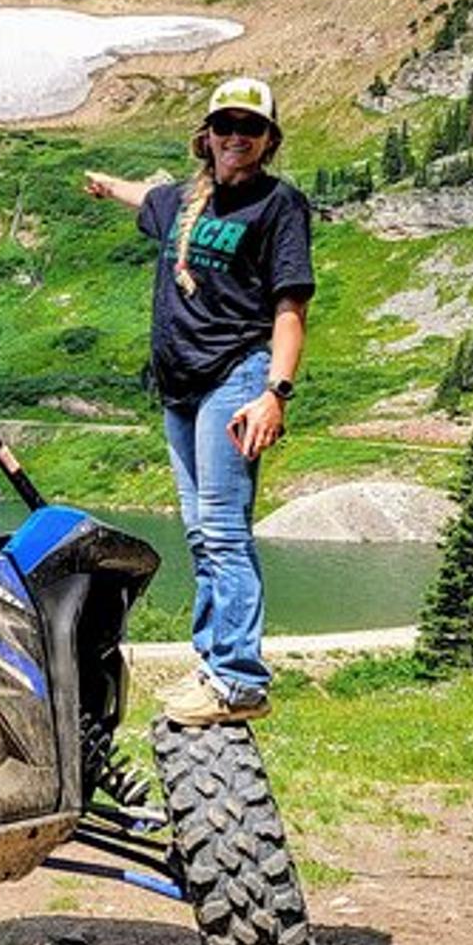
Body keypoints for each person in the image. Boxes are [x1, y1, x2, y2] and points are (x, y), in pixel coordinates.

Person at [83, 76, 315, 724]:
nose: (235, 136)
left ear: (268, 140)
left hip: (236, 379)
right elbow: (144, 196)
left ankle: (238, 680)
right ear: (206, 136)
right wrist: (108, 186)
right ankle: (216, 665)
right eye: (224, 125)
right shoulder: (186, 202)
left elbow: (290, 305)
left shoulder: (278, 205)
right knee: (199, 532)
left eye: (250, 127)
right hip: (179, 390)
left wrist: (276, 393)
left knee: (222, 528)